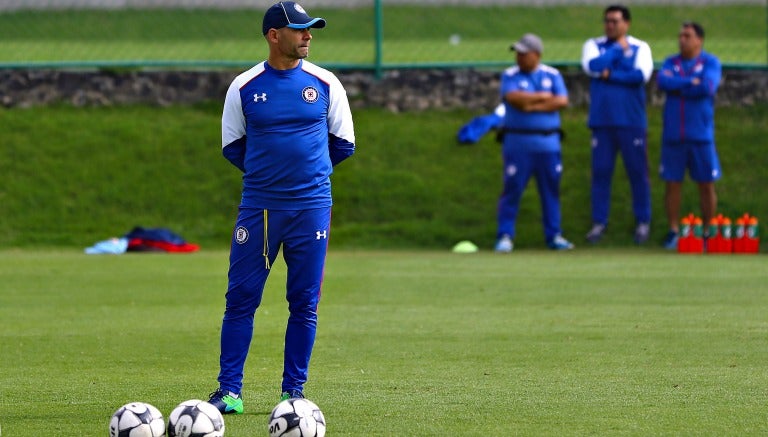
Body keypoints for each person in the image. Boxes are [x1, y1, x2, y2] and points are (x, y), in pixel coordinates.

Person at [208, 1, 356, 415]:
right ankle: (229, 392)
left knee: (304, 302)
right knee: (241, 299)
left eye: (311, 29)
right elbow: (232, 146)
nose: (308, 35)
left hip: (311, 209)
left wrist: (304, 175)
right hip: (260, 209)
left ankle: (294, 392)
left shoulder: (326, 83)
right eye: (300, 29)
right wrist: (271, 177)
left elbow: (343, 143)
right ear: (275, 35)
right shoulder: (244, 85)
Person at [494, 33, 574, 253]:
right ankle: (505, 235)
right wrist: (543, 97)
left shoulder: (552, 74)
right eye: (517, 53)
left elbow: (561, 100)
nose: (519, 58)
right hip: (517, 143)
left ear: (536, 55)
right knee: (512, 189)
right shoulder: (510, 75)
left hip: (548, 143)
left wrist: (532, 102)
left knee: (551, 190)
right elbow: (514, 98)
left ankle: (554, 235)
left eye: (524, 53)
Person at [581, 4, 654, 244]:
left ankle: (643, 221)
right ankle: (599, 222)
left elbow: (639, 76)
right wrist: (614, 53)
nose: (610, 25)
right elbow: (593, 67)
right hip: (602, 121)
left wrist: (610, 74)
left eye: (615, 21)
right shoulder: (593, 45)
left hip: (631, 121)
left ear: (626, 23)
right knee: (601, 172)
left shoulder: (640, 47)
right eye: (607, 21)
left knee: (637, 172)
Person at [657, 22, 722, 249]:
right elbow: (663, 82)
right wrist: (688, 82)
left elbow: (707, 88)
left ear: (699, 40)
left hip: (700, 134)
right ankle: (674, 230)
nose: (682, 39)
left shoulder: (710, 62)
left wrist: (679, 87)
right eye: (680, 35)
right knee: (672, 184)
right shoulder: (670, 62)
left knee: (706, 184)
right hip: (674, 134)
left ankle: (707, 231)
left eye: (687, 35)